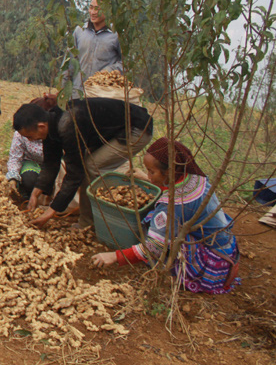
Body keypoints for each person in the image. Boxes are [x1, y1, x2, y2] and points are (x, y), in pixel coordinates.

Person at [92, 138, 240, 294]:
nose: (149, 176)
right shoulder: (194, 177)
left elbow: (154, 248)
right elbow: (174, 187)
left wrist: (115, 256)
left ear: (169, 171)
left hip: (213, 263)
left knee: (155, 227)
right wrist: (147, 177)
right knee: (157, 221)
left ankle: (184, 275)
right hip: (227, 248)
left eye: (152, 171)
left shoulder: (172, 205)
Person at [13, 97, 153, 229]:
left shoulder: (68, 125)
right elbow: (51, 163)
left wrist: (51, 211)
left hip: (136, 129)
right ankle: (93, 214)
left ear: (41, 126)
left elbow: (75, 174)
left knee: (90, 167)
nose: (30, 141)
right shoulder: (51, 122)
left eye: (30, 137)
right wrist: (35, 194)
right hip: (110, 132)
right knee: (89, 166)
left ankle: (89, 222)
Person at [70, 0, 123, 98]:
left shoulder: (116, 34)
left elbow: (126, 64)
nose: (93, 12)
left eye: (97, 9)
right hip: (77, 94)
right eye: (91, 7)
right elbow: (69, 62)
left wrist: (109, 70)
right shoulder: (79, 31)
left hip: (102, 96)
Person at [5, 130, 43, 200]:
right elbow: (15, 158)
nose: (29, 139)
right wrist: (13, 178)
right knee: (29, 180)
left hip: (56, 162)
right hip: (32, 162)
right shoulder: (20, 133)